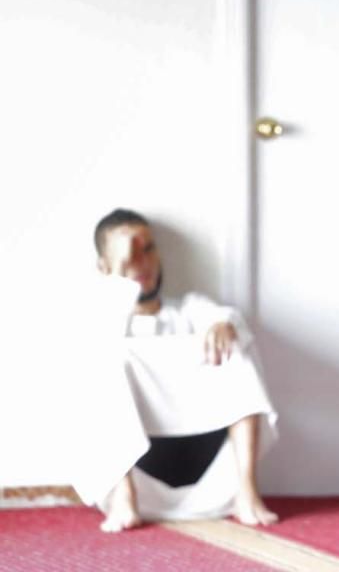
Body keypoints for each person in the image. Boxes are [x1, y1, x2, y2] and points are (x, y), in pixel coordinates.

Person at [73, 209, 278, 533]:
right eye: (129, 255)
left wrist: (223, 326)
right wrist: (121, 276)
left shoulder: (188, 310)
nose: (142, 262)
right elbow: (96, 340)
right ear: (104, 267)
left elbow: (225, 316)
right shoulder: (102, 324)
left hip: (213, 487)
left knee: (233, 344)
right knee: (104, 358)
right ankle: (125, 498)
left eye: (148, 249)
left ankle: (247, 491)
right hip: (140, 490)